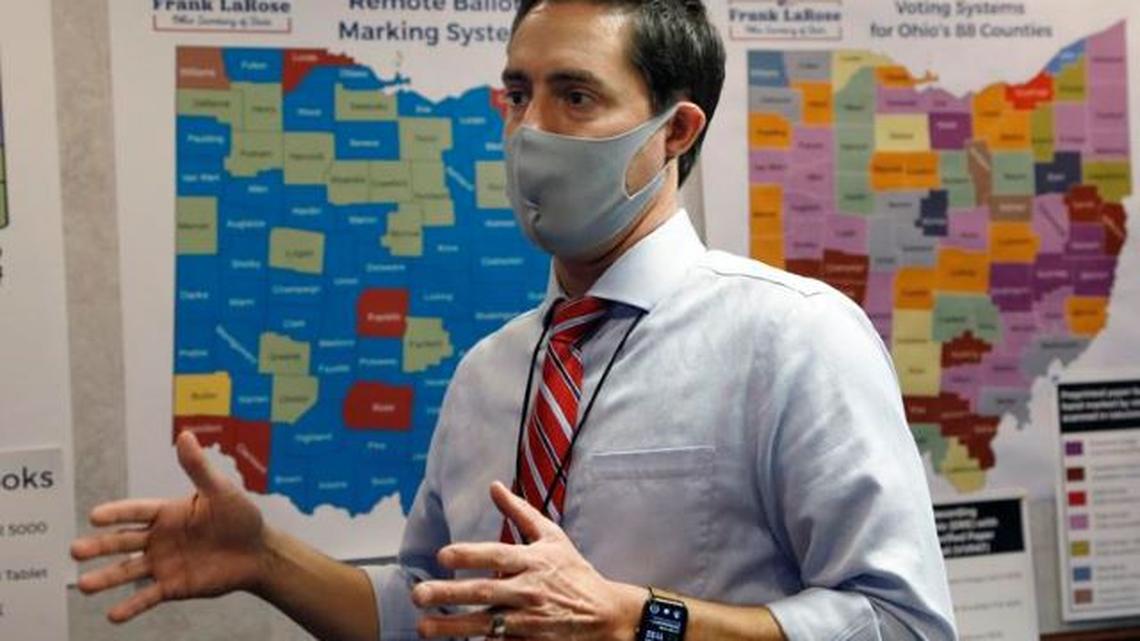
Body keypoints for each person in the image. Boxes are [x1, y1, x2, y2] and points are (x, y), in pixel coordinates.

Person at [72, 0, 959, 639]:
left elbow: (903, 622)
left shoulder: (796, 339)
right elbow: (425, 607)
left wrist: (641, 622)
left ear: (676, 130)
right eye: (517, 93)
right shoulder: (490, 372)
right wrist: (268, 560)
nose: (530, 129)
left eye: (575, 96)